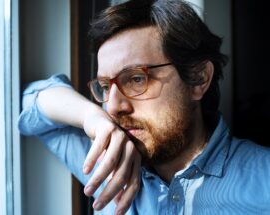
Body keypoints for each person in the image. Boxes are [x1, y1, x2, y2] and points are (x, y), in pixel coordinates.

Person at [18, 0, 270, 214]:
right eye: (106, 87)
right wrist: (90, 116)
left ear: (198, 79)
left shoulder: (264, 181)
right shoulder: (105, 162)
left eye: (137, 79)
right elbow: (31, 101)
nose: (113, 107)